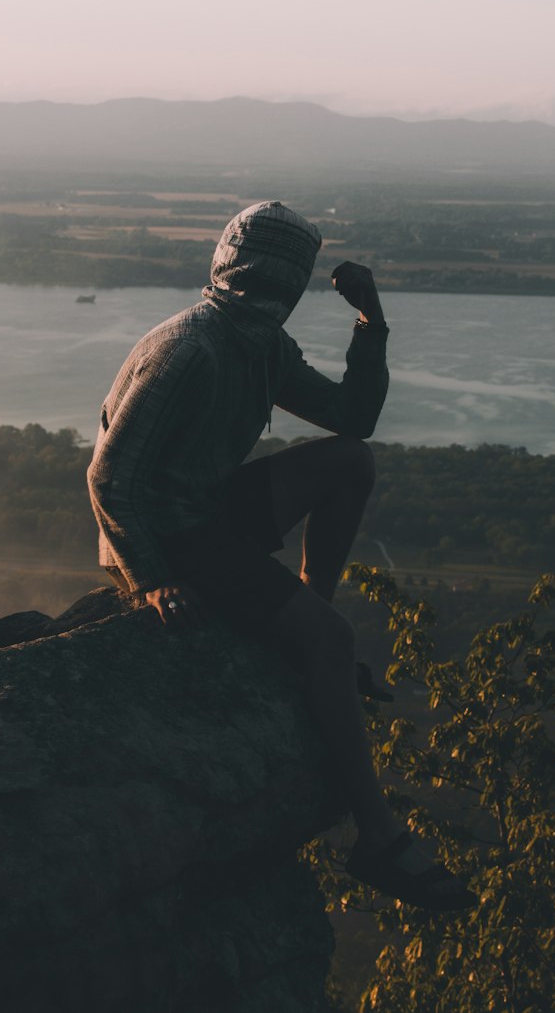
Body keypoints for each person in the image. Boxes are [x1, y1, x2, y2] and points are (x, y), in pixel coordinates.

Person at [87, 200, 474, 912]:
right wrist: (152, 580)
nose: (271, 286)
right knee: (332, 643)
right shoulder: (187, 348)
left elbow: (353, 421)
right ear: (232, 267)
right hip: (169, 534)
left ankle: (305, 621)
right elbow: (111, 477)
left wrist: (371, 321)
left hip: (208, 506)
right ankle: (380, 837)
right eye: (263, 271)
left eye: (284, 275)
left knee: (350, 462)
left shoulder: (259, 345)